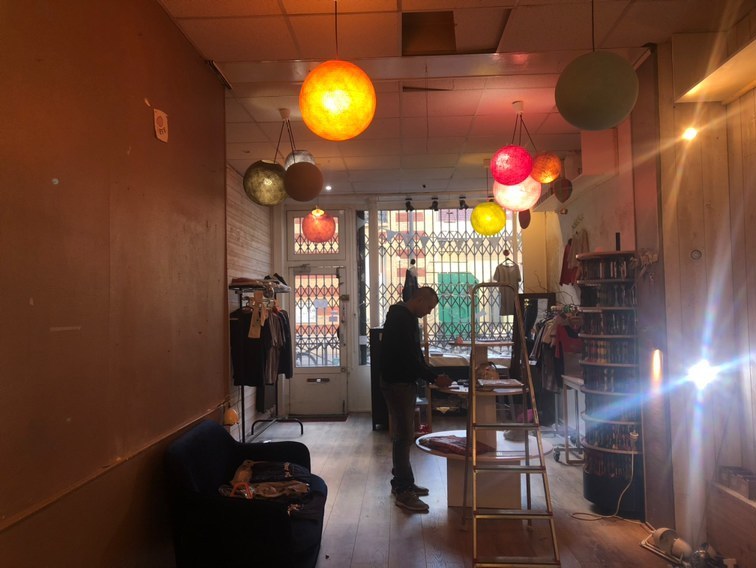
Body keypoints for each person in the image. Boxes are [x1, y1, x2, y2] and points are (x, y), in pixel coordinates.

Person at [380, 286, 452, 512]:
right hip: (398, 383)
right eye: (429, 307)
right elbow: (410, 358)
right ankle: (404, 491)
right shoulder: (402, 319)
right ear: (419, 299)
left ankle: (402, 482)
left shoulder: (403, 317)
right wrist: (433, 377)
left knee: (403, 436)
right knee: (404, 436)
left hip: (397, 382)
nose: (429, 312)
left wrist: (430, 374)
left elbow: (414, 356)